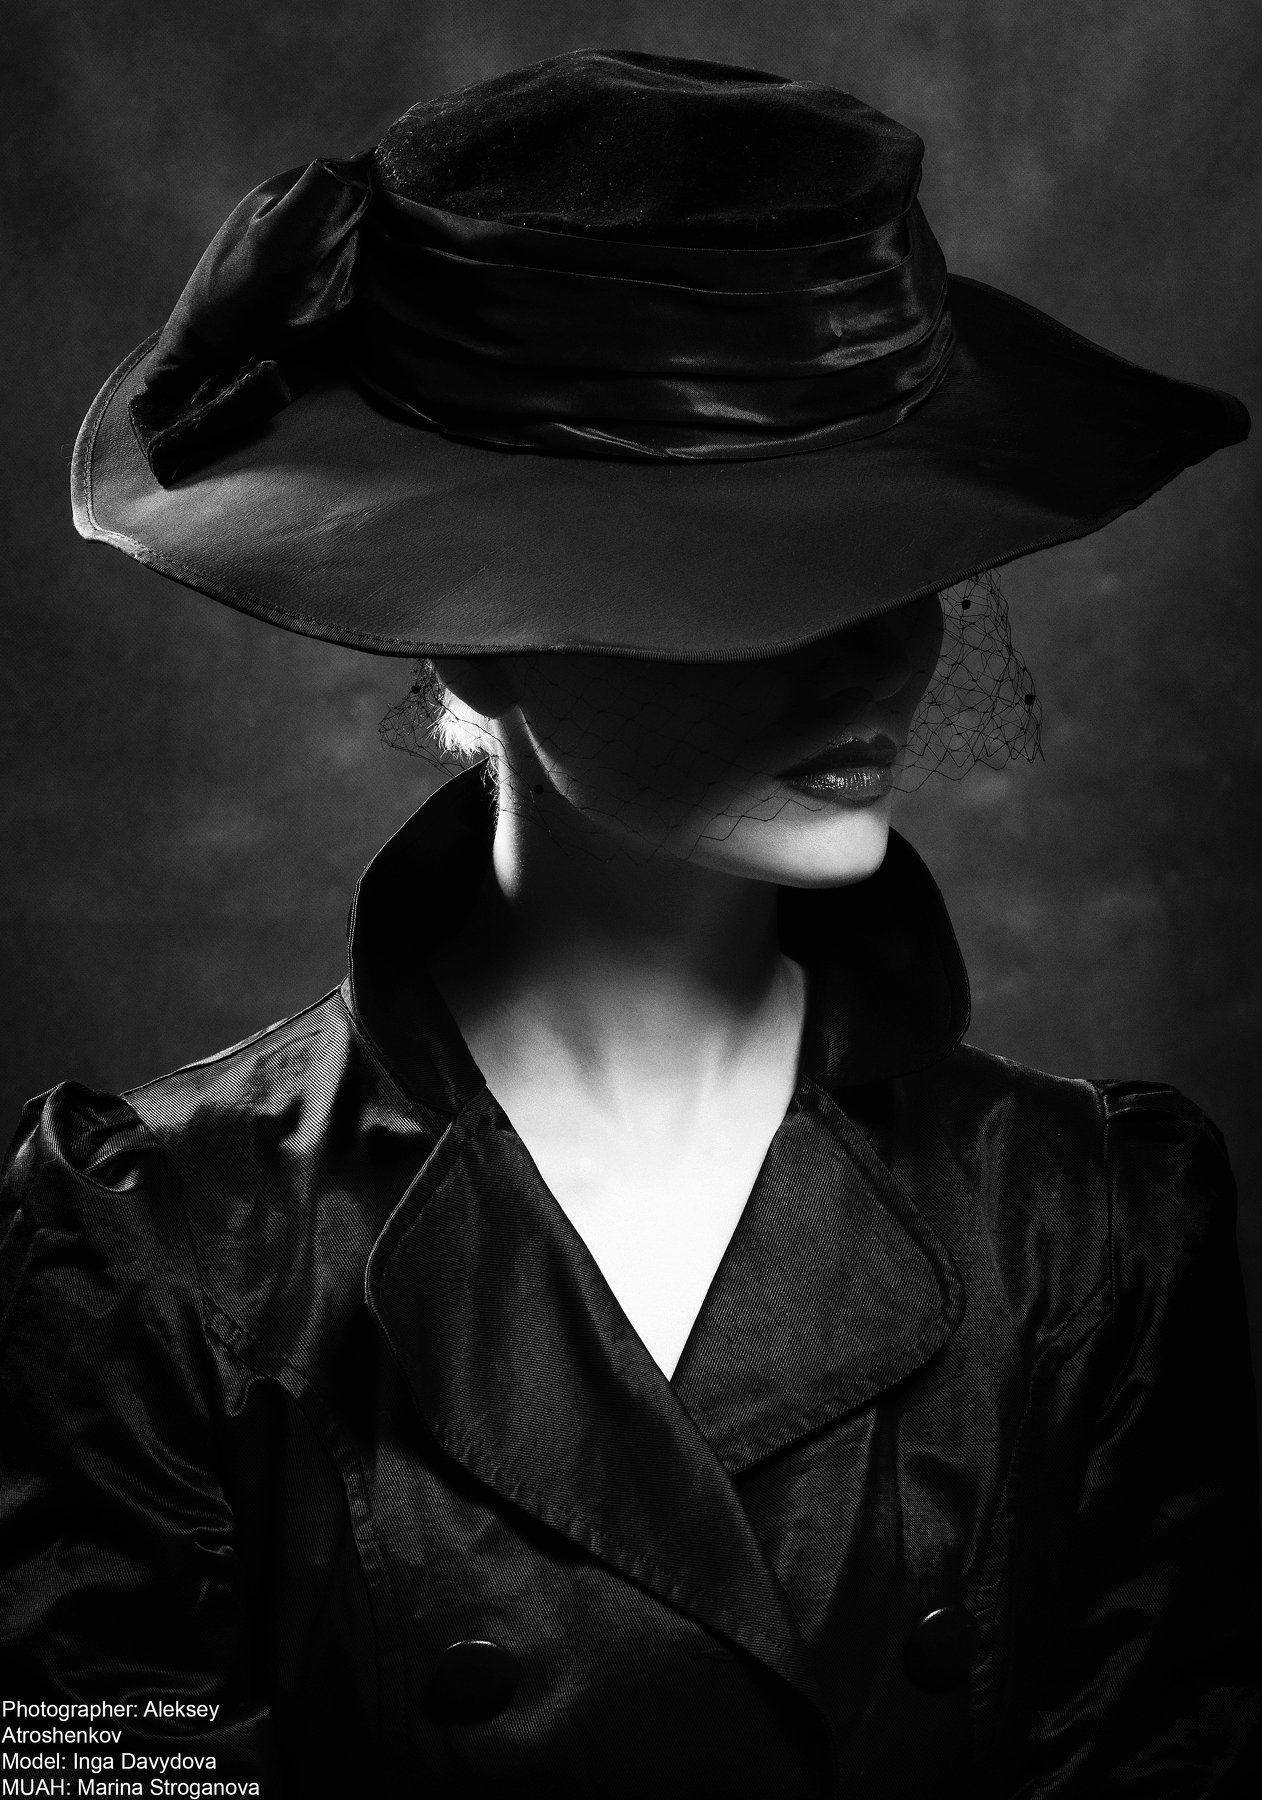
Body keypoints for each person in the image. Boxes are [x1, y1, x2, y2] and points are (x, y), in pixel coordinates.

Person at [2, 48, 1259, 1799]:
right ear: (466, 635)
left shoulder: (1081, 1223)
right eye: (752, 580)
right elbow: (85, 1775)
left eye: (904, 564)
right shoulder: (168, 1238)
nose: (877, 657)